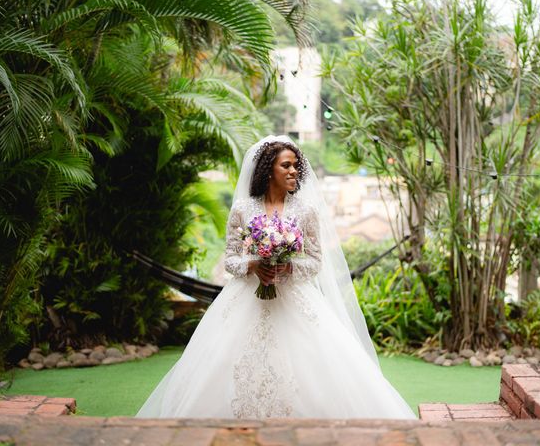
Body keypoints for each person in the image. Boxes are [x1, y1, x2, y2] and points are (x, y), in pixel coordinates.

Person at [136, 135, 416, 419]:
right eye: (286, 165)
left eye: (296, 166)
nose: (294, 171)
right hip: (246, 298)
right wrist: (256, 265)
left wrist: (288, 267)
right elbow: (231, 259)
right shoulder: (243, 209)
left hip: (294, 298)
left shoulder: (306, 211)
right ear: (269, 169)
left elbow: (315, 261)